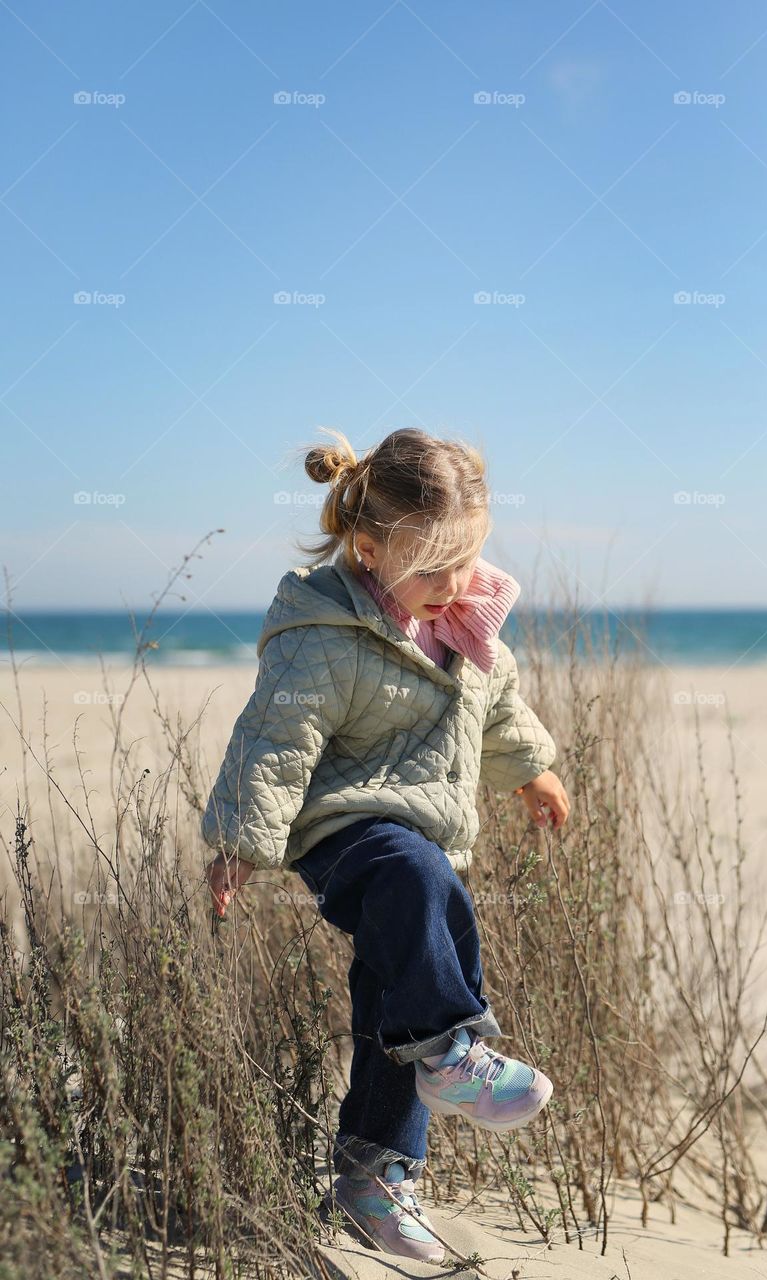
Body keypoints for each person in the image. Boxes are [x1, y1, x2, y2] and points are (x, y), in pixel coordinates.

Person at [202, 426, 570, 1263]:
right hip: (340, 829)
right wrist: (238, 843)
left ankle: (374, 1178)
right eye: (430, 567)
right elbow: (273, 743)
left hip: (418, 834)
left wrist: (532, 770)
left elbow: (499, 703)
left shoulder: (464, 617)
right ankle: (452, 1052)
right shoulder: (322, 635)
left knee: (389, 993)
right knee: (414, 872)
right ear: (368, 549)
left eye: (466, 559)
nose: (454, 584)